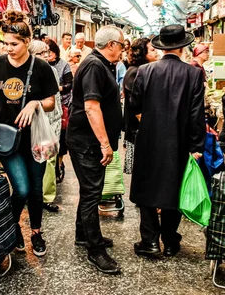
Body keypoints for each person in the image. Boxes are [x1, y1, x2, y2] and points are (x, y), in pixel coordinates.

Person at [0, 12, 59, 257]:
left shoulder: (41, 67)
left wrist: (34, 104)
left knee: (35, 189)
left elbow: (51, 102)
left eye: (14, 44)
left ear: (26, 42)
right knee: (21, 189)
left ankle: (35, 231)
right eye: (5, 44)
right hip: (6, 139)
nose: (8, 48)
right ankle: (11, 226)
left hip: (35, 138)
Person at [130, 24, 206, 259]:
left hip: (149, 139)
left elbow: (134, 105)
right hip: (180, 141)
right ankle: (171, 241)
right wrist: (196, 146)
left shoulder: (145, 71)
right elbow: (197, 114)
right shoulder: (194, 74)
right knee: (175, 188)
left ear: (162, 47)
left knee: (147, 188)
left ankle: (150, 241)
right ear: (183, 47)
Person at [67, 25, 124, 275]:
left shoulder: (100, 63)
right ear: (111, 45)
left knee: (89, 190)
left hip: (87, 141)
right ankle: (95, 250)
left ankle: (83, 235)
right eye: (122, 44)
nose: (123, 49)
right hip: (87, 143)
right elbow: (91, 107)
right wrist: (104, 143)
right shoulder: (94, 65)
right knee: (92, 194)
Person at [28, 40, 62, 213]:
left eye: (46, 53)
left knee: (49, 159)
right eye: (41, 53)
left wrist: (56, 121)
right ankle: (34, 194)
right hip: (32, 121)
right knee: (34, 158)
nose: (46, 57)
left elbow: (54, 101)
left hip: (50, 120)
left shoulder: (51, 70)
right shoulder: (26, 72)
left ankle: (46, 197)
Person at [122, 37, 158, 174]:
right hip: (138, 132)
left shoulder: (144, 70)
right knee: (142, 173)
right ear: (142, 53)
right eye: (152, 50)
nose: (156, 53)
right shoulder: (135, 72)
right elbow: (136, 106)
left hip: (142, 131)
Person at [46, 39, 73, 183]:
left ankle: (59, 163)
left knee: (61, 138)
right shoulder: (40, 66)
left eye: (49, 52)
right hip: (46, 110)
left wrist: (57, 88)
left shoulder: (63, 65)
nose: (47, 55)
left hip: (62, 105)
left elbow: (69, 84)